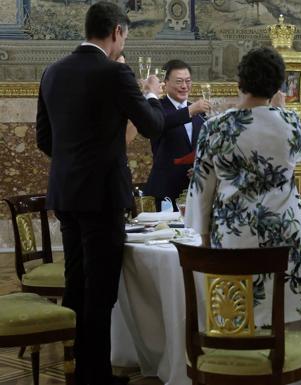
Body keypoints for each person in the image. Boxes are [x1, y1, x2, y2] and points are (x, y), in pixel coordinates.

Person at [35, 2, 164, 384]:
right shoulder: (116, 73)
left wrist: (75, 163)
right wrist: (153, 94)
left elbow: (45, 139)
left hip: (66, 194)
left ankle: (81, 368)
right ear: (117, 32)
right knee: (102, 289)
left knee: (77, 283)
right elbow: (154, 126)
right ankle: (97, 375)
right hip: (103, 197)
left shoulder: (52, 72)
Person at [184, 47, 301, 325]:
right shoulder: (289, 121)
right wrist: (278, 109)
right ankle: (283, 359)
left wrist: (204, 235)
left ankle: (235, 360)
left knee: (236, 314)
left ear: (240, 82)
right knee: (283, 315)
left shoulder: (216, 127)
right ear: (277, 86)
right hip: (284, 234)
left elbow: (201, 189)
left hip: (235, 233)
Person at [143, 59, 211, 210]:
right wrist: (190, 110)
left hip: (195, 189)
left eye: (188, 81)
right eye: (179, 81)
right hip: (166, 189)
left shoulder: (200, 113)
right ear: (165, 83)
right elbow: (161, 123)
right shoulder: (157, 108)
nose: (184, 86)